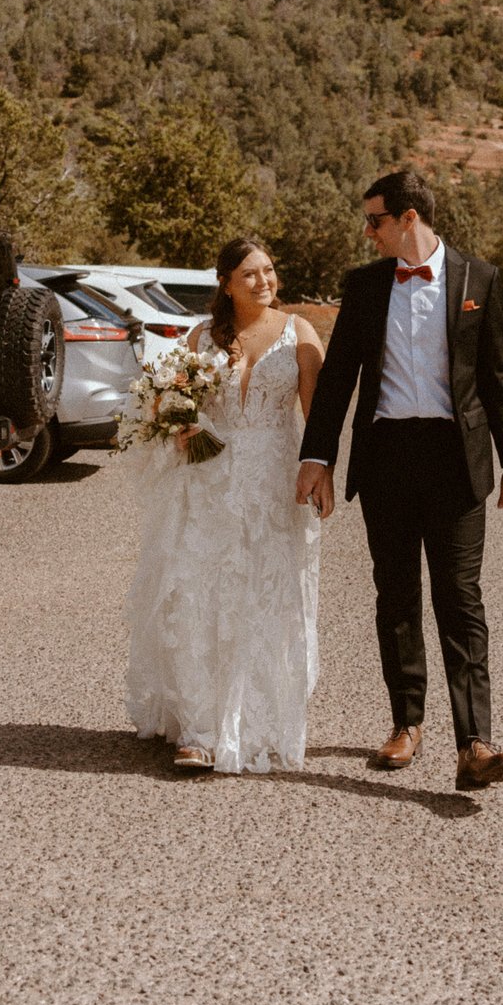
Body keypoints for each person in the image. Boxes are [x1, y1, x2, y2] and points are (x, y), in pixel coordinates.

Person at [298, 169, 503, 792]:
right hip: (387, 457)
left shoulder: (478, 279)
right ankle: (406, 722)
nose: (366, 231)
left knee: (460, 599)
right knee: (396, 594)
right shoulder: (366, 286)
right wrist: (316, 456)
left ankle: (475, 743)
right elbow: (340, 376)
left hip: (457, 459)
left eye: (373, 220)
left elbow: (496, 376)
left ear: (408, 218)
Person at [123, 238, 328, 774]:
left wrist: (320, 470)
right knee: (198, 594)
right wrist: (180, 423)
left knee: (264, 595)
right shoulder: (199, 336)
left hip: (273, 484)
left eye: (269, 271)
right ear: (226, 283)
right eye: (250, 274)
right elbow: (172, 399)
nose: (264, 281)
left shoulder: (299, 332)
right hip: (208, 483)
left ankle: (256, 723)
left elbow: (318, 418)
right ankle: (198, 729)